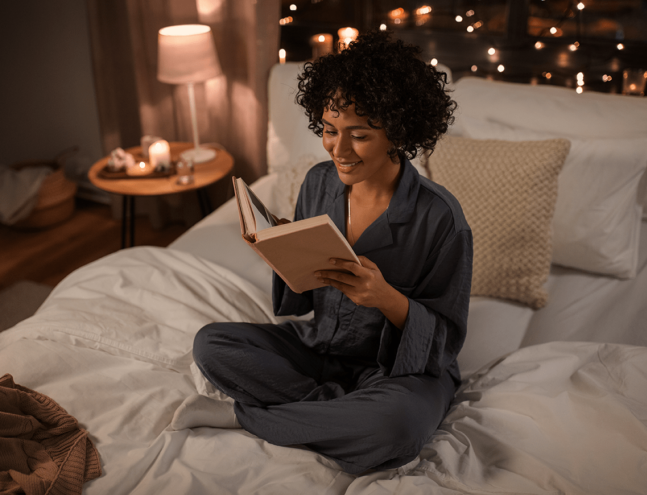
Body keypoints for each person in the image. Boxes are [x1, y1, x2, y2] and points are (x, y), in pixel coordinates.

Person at [193, 30, 472, 475]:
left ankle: (247, 417)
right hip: (320, 348)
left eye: (358, 135)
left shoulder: (441, 219)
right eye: (328, 130)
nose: (338, 150)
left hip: (398, 371)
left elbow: (447, 340)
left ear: (397, 133)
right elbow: (300, 300)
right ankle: (335, 412)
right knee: (211, 345)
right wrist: (281, 254)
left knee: (395, 427)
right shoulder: (318, 183)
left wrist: (385, 297)